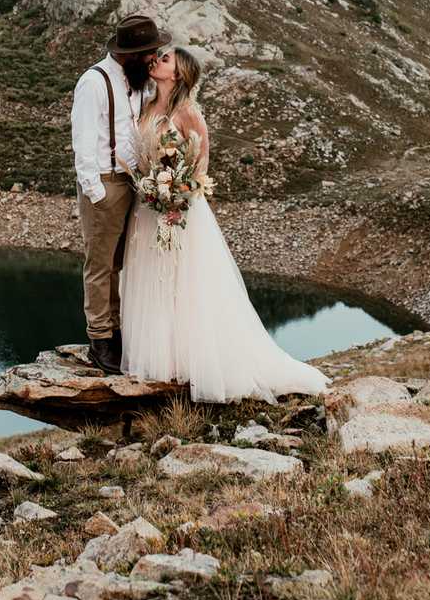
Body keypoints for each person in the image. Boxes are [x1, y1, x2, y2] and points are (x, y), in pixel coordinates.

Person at [119, 44, 328, 402]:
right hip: (147, 207)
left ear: (179, 73)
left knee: (184, 282)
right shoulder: (147, 104)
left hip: (178, 210)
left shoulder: (187, 112)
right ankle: (161, 358)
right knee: (150, 277)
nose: (157, 60)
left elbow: (201, 164)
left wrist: (178, 198)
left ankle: (193, 360)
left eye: (166, 59)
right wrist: (149, 188)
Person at [69, 13, 166, 374]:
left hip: (134, 183)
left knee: (122, 263)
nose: (153, 59)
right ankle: (100, 339)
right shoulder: (93, 82)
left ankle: (117, 330)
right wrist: (95, 192)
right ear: (130, 53)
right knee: (100, 265)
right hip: (106, 184)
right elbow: (82, 141)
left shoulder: (139, 81)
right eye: (148, 53)